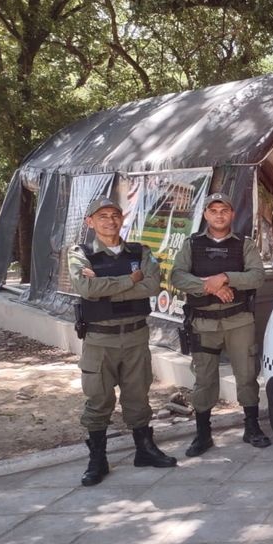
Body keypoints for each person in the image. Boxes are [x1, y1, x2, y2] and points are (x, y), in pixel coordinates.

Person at [68, 197, 177, 486]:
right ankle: (98, 459)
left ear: (121, 219)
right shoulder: (81, 253)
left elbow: (152, 285)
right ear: (89, 222)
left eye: (115, 214)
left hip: (135, 336)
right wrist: (131, 280)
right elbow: (86, 288)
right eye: (102, 216)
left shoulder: (140, 251)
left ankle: (145, 449)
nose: (109, 220)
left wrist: (106, 283)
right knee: (99, 399)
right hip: (100, 339)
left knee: (138, 397)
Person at [170, 192, 270, 456]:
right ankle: (203, 433)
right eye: (213, 210)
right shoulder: (192, 244)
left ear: (232, 214)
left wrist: (225, 277)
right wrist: (210, 287)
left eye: (223, 210)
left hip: (238, 321)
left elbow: (257, 277)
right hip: (203, 323)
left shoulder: (244, 245)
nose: (218, 215)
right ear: (205, 215)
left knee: (247, 375)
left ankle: (251, 427)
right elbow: (177, 276)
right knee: (204, 379)